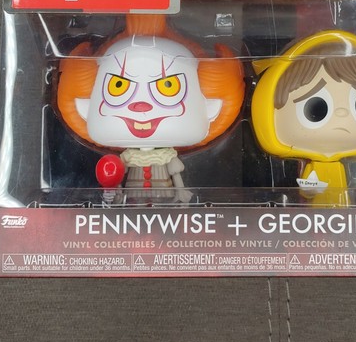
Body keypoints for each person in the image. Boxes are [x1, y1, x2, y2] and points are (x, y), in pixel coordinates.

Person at [57, 14, 245, 204]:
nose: (141, 106)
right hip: (133, 198)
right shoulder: (127, 157)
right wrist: (113, 191)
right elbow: (116, 176)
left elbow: (176, 176)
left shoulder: (166, 156)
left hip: (164, 194)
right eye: (118, 86)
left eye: (168, 86)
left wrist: (181, 192)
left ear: (211, 104)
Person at [251, 31, 356, 207]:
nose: (342, 113)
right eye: (317, 108)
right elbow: (307, 190)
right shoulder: (310, 167)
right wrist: (310, 188)